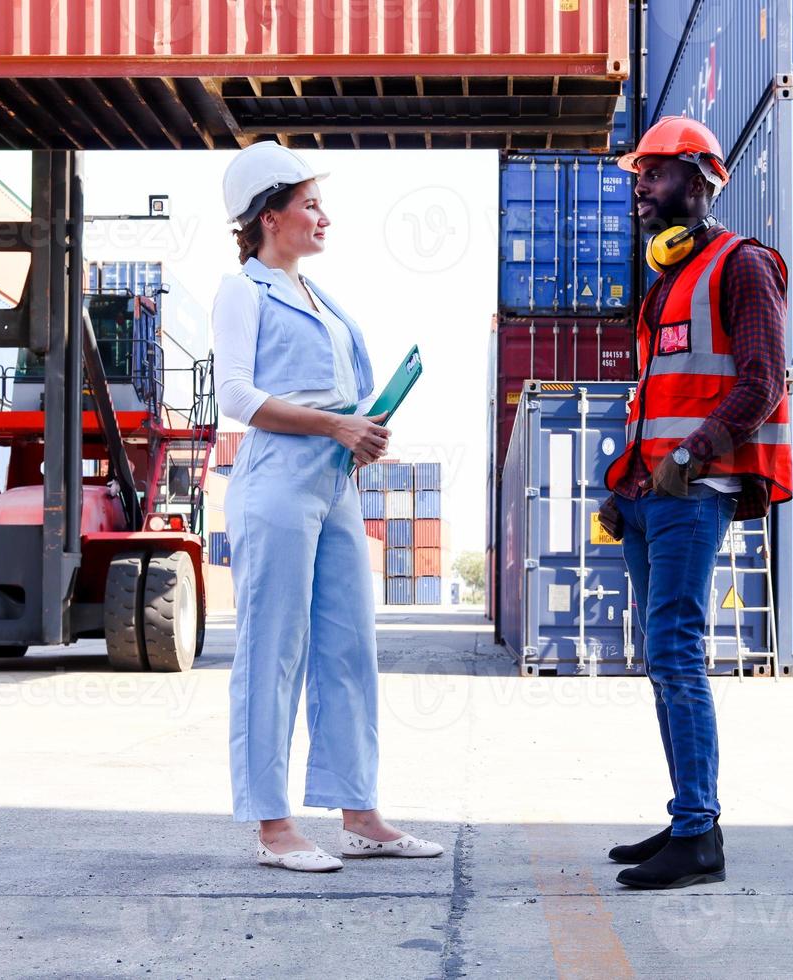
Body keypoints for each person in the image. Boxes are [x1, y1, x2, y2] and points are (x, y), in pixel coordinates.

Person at [213, 142, 444, 873]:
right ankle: (272, 826)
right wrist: (335, 425)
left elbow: (341, 396)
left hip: (335, 479)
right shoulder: (242, 292)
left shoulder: (322, 297)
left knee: (348, 648)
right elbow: (238, 398)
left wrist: (363, 430)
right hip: (277, 478)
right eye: (310, 204)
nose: (324, 217)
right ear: (268, 215)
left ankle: (359, 813)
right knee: (272, 652)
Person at [596, 117, 793, 890]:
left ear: (700, 178)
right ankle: (686, 812)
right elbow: (655, 402)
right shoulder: (667, 282)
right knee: (661, 661)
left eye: (653, 172)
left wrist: (688, 457)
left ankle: (699, 834)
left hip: (694, 492)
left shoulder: (741, 266)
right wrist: (626, 484)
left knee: (678, 655)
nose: (639, 186)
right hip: (652, 496)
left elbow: (763, 380)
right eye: (637, 173)